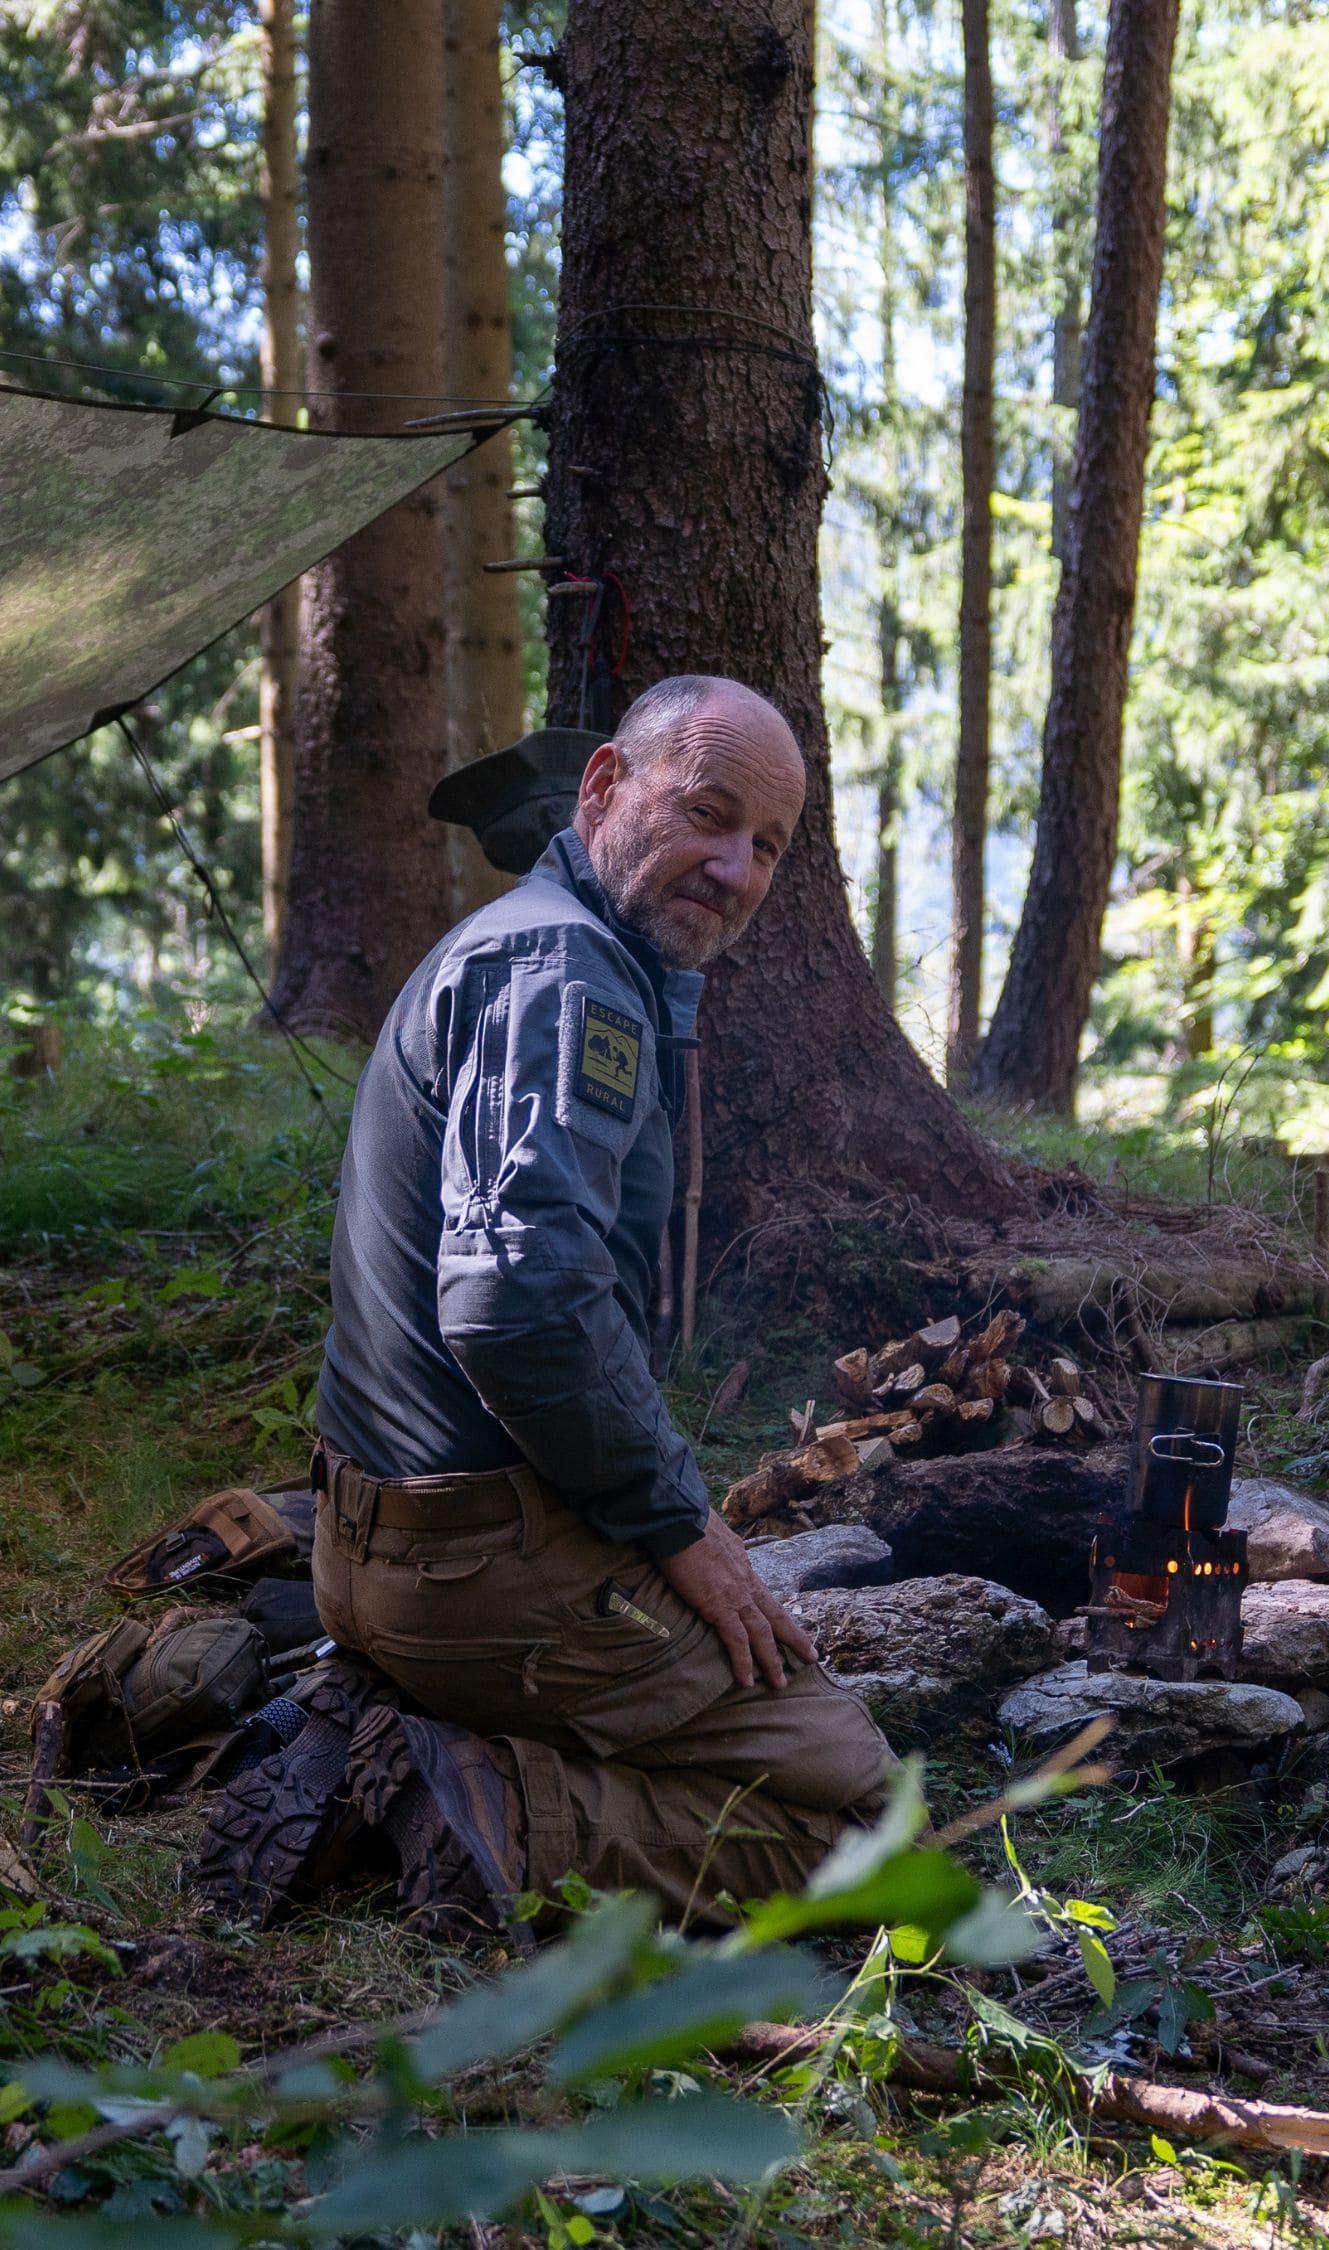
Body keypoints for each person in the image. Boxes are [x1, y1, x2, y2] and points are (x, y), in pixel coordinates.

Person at [201, 676, 891, 1932]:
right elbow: (518, 1302)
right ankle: (465, 1809)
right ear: (604, 788)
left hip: (383, 1549)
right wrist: (675, 1522)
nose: (734, 869)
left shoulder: (541, 941)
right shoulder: (564, 974)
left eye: (767, 847)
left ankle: (389, 1719)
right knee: (873, 1829)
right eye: (708, 813)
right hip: (473, 1569)